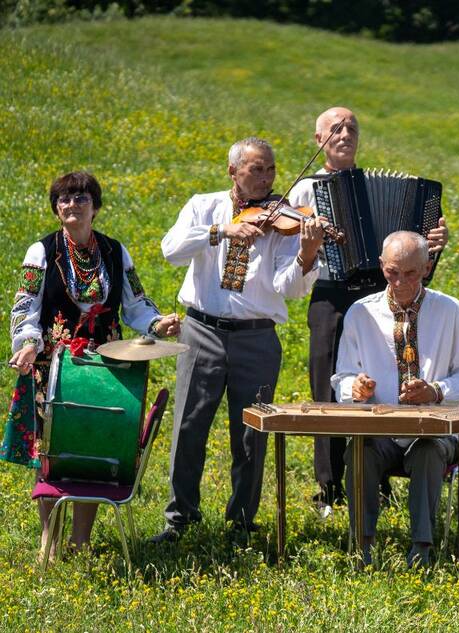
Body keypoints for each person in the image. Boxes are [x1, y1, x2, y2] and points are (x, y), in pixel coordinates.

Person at [151, 137, 326, 544]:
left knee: (251, 433)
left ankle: (242, 523)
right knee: (188, 427)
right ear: (233, 171)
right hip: (201, 330)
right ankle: (180, 519)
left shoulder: (283, 221)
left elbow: (289, 288)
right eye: (256, 170)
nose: (266, 179)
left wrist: (307, 253)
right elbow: (171, 250)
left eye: (270, 170)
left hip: (256, 336)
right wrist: (221, 231)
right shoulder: (203, 205)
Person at [3, 171, 179, 560]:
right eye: (64, 199)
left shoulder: (116, 252)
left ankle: (80, 539)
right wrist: (28, 344)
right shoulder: (42, 251)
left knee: (93, 450)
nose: (72, 204)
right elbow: (24, 307)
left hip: (107, 367)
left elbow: (136, 303)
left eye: (81, 198)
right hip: (55, 367)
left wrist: (157, 323)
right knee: (52, 455)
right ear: (56, 209)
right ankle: (49, 538)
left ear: (95, 208)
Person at [288, 106, 449, 519]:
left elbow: (414, 261)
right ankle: (328, 487)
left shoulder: (396, 190)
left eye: (352, 128)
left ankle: (372, 476)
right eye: (335, 129)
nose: (344, 134)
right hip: (331, 294)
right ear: (317, 138)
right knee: (328, 384)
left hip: (380, 294)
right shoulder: (306, 191)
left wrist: (433, 243)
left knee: (379, 377)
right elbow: (292, 254)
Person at [331, 231, 459, 567]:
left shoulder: (449, 310)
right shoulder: (360, 313)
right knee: (360, 449)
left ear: (427, 268)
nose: (400, 282)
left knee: (428, 451)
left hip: (434, 432)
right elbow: (342, 377)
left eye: (410, 273)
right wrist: (356, 388)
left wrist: (437, 391)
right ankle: (362, 544)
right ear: (382, 266)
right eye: (392, 272)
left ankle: (421, 549)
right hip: (381, 431)